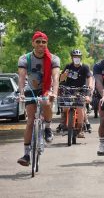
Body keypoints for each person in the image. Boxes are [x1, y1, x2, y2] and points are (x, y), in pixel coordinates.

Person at [17, 31, 60, 166]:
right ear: (33, 43)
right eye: (38, 41)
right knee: (30, 122)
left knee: (47, 101)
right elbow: (22, 77)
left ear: (46, 44)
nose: (41, 44)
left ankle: (47, 127)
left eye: (44, 42)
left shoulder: (53, 58)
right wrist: (22, 93)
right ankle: (26, 155)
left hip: (46, 89)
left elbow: (56, 78)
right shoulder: (25, 58)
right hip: (30, 90)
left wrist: (54, 92)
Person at [58, 49, 93, 138]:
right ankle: (63, 125)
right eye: (74, 57)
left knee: (80, 108)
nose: (76, 58)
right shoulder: (68, 66)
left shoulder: (85, 67)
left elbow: (89, 78)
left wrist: (89, 87)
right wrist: (64, 75)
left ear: (80, 58)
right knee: (65, 107)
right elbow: (61, 79)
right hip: (69, 89)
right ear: (72, 58)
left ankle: (80, 129)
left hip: (81, 89)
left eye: (78, 57)